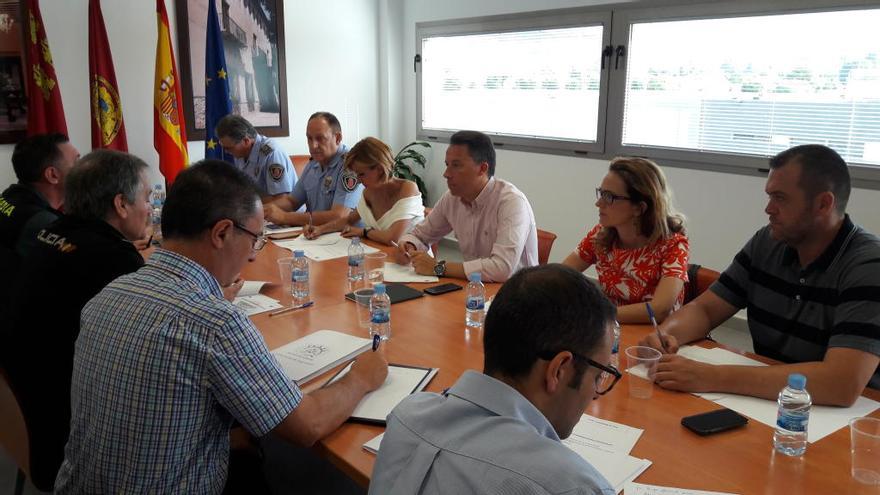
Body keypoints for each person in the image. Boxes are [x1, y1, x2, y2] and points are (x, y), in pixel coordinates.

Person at [54, 161, 388, 493]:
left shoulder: (110, 293)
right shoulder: (216, 323)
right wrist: (361, 377)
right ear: (221, 233)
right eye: (255, 240)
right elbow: (307, 425)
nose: (254, 256)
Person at [640, 145, 880, 407]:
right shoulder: (767, 242)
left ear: (823, 204)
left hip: (850, 422)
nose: (769, 209)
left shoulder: (869, 265)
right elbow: (705, 309)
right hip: (768, 401)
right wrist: (666, 334)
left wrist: (711, 376)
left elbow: (841, 384)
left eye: (780, 198)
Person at [370, 264, 619, 494]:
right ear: (558, 370)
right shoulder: (574, 487)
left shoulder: (405, 416)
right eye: (598, 376)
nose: (596, 392)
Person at [0, 150, 151, 490]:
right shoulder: (113, 257)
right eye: (147, 197)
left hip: (28, 403)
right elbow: (146, 348)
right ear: (120, 204)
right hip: (69, 422)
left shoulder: (51, 231)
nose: (149, 208)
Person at [394, 130, 538, 282]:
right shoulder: (452, 198)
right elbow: (420, 235)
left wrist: (438, 267)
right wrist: (409, 245)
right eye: (447, 165)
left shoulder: (511, 202)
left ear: (482, 169)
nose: (446, 174)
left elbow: (502, 268)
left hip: (517, 294)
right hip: (475, 288)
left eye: (456, 165)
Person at [562, 157, 689, 323]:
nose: (598, 203)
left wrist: (597, 315)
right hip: (612, 328)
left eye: (609, 197)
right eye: (601, 193)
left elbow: (659, 310)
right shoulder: (600, 235)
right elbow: (561, 274)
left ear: (639, 207)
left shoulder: (673, 245)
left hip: (656, 337)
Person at [304, 136, 423, 245]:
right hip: (384, 256)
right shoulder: (368, 192)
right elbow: (349, 220)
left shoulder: (407, 189)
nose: (359, 181)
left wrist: (364, 232)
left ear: (380, 169)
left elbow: (392, 238)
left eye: (361, 174)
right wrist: (320, 229)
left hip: (414, 261)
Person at [263, 111, 363, 227]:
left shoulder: (350, 165)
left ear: (338, 138)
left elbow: (339, 215)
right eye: (309, 138)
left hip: (344, 239)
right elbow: (292, 201)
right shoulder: (313, 163)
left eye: (320, 138)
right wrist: (263, 210)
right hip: (316, 236)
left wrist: (285, 217)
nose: (313, 145)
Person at [0, 133, 79, 262]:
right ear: (53, 175)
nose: (85, 169)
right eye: (77, 162)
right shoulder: (46, 224)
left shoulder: (9, 195)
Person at [215, 114, 296, 201]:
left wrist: (245, 207)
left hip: (284, 212)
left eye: (228, 148)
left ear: (246, 141)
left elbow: (281, 199)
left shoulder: (271, 154)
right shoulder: (239, 153)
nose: (226, 152)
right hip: (257, 208)